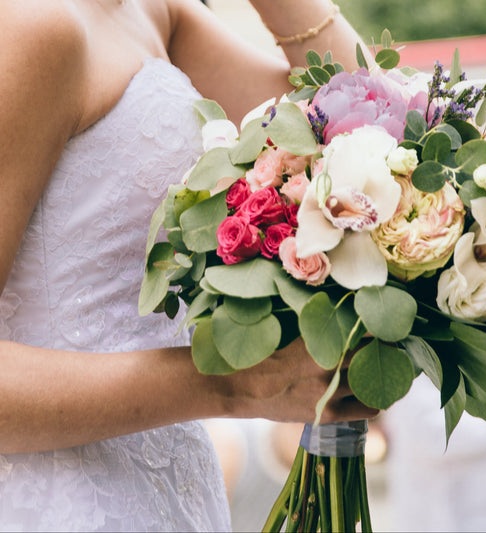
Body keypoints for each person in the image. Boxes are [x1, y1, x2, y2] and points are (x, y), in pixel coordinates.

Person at [0, 0, 377, 530]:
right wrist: (234, 384)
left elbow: (375, 129)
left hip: (172, 495)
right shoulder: (31, 25)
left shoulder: (152, 11)